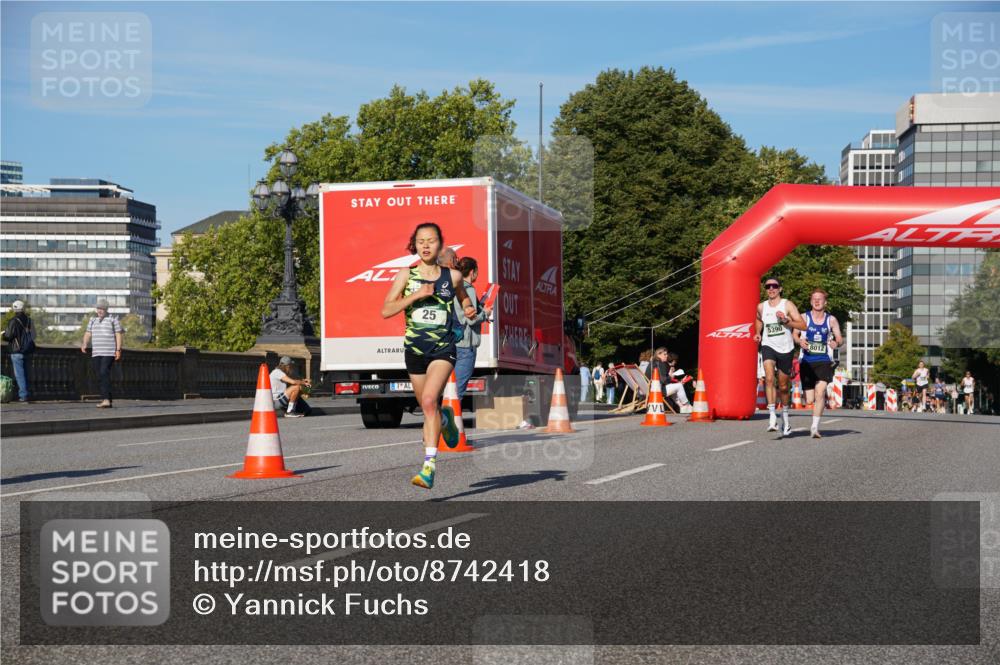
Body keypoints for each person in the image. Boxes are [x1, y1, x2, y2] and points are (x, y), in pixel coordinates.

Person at [383, 222, 476, 489]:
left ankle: (429, 467)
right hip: (414, 351)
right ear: (415, 244)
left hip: (443, 349)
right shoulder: (406, 275)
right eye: (421, 240)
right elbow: (386, 310)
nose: (426, 245)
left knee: (426, 401)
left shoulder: (453, 277)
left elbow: (462, 297)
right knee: (430, 409)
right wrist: (415, 295)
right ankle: (445, 417)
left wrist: (468, 308)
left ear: (439, 245)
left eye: (431, 240)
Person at [753, 277, 806, 436]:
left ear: (780, 289)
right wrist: (757, 333)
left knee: (783, 386)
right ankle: (772, 417)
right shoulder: (761, 306)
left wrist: (786, 321)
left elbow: (803, 325)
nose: (771, 289)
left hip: (786, 348)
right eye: (768, 286)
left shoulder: (787, 304)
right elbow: (758, 319)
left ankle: (785, 419)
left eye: (774, 286)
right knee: (769, 378)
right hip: (768, 346)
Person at [793, 289, 843, 439]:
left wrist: (837, 343)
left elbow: (840, 338)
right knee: (809, 400)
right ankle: (816, 406)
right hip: (806, 361)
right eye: (814, 299)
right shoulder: (803, 317)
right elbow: (794, 334)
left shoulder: (831, 320)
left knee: (820, 392)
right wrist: (799, 341)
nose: (817, 301)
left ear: (825, 302)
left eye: (820, 299)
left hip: (823, 360)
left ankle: (814, 427)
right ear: (810, 302)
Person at [452, 256, 492, 399]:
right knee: (457, 392)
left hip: (453, 342)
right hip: (465, 346)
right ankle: (450, 420)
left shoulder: (453, 287)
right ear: (472, 272)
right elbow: (471, 319)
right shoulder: (467, 289)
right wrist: (485, 314)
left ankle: (444, 420)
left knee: (450, 389)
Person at [80, 299, 122, 408]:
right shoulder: (93, 320)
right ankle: (107, 398)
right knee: (99, 375)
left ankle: (106, 399)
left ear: (106, 309)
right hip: (96, 352)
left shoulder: (113, 319)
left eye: (102, 309)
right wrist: (84, 343)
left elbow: (118, 334)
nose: (99, 311)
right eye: (98, 308)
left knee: (104, 372)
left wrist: (118, 349)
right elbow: (88, 333)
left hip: (109, 352)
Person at [2, 300, 34, 402]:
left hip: (17, 351)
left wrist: (3, 334)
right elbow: (34, 335)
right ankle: (28, 393)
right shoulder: (29, 320)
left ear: (14, 308)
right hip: (28, 350)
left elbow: (8, 336)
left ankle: (23, 396)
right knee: (27, 373)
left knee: (19, 375)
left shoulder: (14, 320)